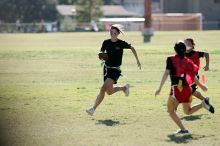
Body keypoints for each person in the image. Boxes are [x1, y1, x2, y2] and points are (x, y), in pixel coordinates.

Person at [155, 41, 210, 134]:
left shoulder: (170, 59)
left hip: (177, 89)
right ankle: (202, 104)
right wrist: (201, 86)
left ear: (175, 50)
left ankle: (183, 129)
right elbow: (193, 77)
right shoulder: (188, 61)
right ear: (184, 50)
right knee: (187, 111)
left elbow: (166, 73)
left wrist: (159, 88)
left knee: (170, 110)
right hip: (187, 89)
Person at [86, 24, 141, 116]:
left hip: (115, 70)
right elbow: (101, 51)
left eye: (115, 33)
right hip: (106, 69)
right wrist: (101, 54)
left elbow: (132, 48)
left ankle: (93, 108)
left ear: (118, 34)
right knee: (109, 92)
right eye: (111, 33)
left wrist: (137, 60)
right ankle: (124, 88)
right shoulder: (106, 42)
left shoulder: (121, 43)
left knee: (103, 88)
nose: (113, 34)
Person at [184, 38, 214, 113]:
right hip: (185, 78)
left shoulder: (196, 53)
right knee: (193, 93)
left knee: (187, 92)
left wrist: (207, 65)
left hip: (193, 78)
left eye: (188, 43)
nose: (186, 45)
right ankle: (205, 101)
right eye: (185, 43)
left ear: (193, 45)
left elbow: (206, 54)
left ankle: (178, 107)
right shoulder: (182, 54)